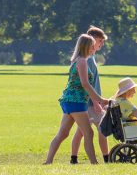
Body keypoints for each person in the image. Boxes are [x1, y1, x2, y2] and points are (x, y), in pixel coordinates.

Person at [43, 30, 111, 165]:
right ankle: (94, 163)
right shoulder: (82, 61)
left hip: (70, 101)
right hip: (76, 102)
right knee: (89, 133)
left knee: (63, 134)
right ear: (86, 47)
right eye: (92, 45)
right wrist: (100, 100)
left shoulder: (77, 60)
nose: (94, 48)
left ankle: (48, 161)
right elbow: (85, 84)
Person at [69, 26, 111, 164]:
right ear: (92, 39)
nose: (101, 44)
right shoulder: (88, 60)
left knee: (80, 132)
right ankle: (107, 159)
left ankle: (73, 159)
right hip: (91, 103)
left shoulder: (89, 58)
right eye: (100, 41)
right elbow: (87, 84)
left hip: (88, 102)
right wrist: (96, 103)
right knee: (103, 129)